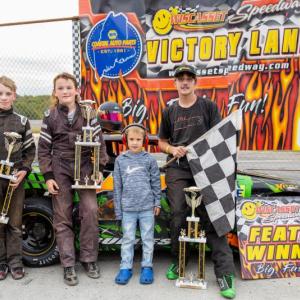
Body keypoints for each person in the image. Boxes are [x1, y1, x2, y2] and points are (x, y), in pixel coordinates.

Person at [158, 65, 236, 299]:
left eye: (189, 78)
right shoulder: (169, 111)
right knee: (179, 213)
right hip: (178, 169)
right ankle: (179, 262)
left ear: (195, 82)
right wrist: (172, 148)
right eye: (180, 79)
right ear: (175, 84)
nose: (184, 82)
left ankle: (224, 274)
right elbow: (161, 142)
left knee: (214, 213)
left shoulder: (208, 106)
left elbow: (221, 137)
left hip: (207, 168)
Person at [38, 72, 108, 286]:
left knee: (90, 211)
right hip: (60, 167)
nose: (65, 91)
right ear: (55, 92)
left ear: (77, 90)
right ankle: (68, 264)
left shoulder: (89, 114)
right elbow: (43, 150)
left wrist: (100, 168)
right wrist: (49, 176)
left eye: (69, 87)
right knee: (62, 217)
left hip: (85, 166)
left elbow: (100, 143)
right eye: (60, 88)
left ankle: (89, 259)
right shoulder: (49, 116)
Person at [113, 123, 161, 285]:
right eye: (131, 139)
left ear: (144, 140)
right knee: (128, 239)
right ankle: (125, 267)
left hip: (147, 208)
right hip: (128, 209)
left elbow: (156, 183)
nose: (134, 142)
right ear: (126, 140)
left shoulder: (149, 160)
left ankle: (147, 266)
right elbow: (117, 188)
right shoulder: (120, 160)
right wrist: (118, 211)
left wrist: (158, 202)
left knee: (148, 238)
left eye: (138, 139)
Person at [0, 76, 36, 280]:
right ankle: (1, 262)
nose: (4, 98)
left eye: (7, 93)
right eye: (0, 93)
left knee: (14, 222)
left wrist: (24, 171)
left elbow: (30, 151)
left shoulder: (22, 121)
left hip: (14, 179)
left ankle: (15, 262)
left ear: (14, 95)